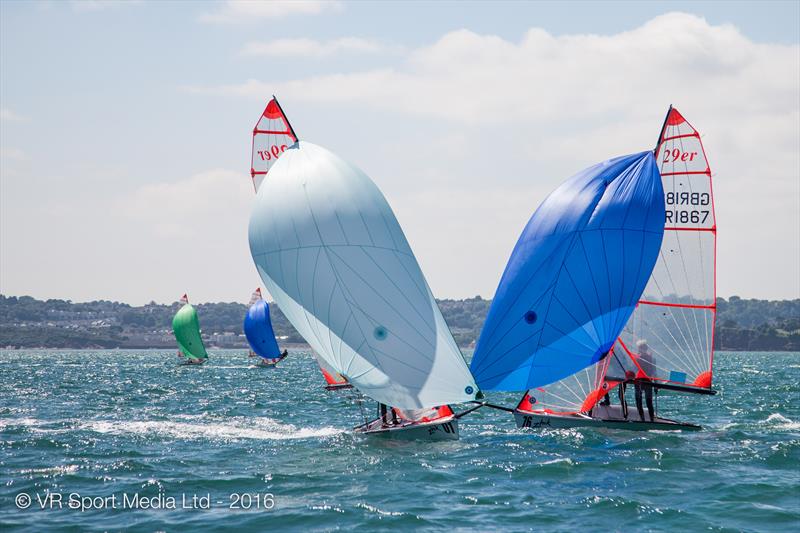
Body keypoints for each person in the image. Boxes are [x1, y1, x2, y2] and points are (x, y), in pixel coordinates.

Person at [635, 340, 656, 421]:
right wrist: (656, 384)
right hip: (646, 381)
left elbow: (654, 371)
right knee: (648, 402)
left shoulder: (637, 358)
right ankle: (650, 420)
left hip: (640, 381)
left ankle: (643, 419)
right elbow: (655, 372)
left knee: (641, 401)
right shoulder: (651, 358)